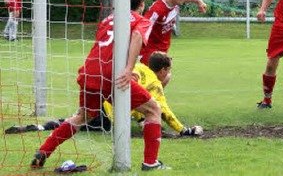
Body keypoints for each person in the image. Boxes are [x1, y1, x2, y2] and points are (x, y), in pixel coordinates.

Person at [31, 0, 170, 171]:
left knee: (83, 115)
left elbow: (108, 48)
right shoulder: (140, 20)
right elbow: (137, 35)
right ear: (142, 3)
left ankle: (43, 151)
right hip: (112, 75)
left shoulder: (107, 20)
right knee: (153, 109)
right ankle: (150, 163)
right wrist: (129, 68)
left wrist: (130, 69)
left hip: (90, 71)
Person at [8, 51, 204, 137]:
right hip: (108, 116)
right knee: (80, 124)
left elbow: (136, 100)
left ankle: (41, 126)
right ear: (162, 70)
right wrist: (184, 130)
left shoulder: (137, 67)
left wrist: (141, 119)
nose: (168, 75)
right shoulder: (155, 83)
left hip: (101, 95)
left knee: (79, 117)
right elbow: (164, 112)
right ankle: (44, 129)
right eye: (168, 71)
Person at [139, 0, 206, 87]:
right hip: (150, 53)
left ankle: (147, 101)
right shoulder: (157, 10)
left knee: (159, 82)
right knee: (156, 82)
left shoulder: (173, 2)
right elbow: (142, 29)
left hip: (162, 51)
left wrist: (197, 0)